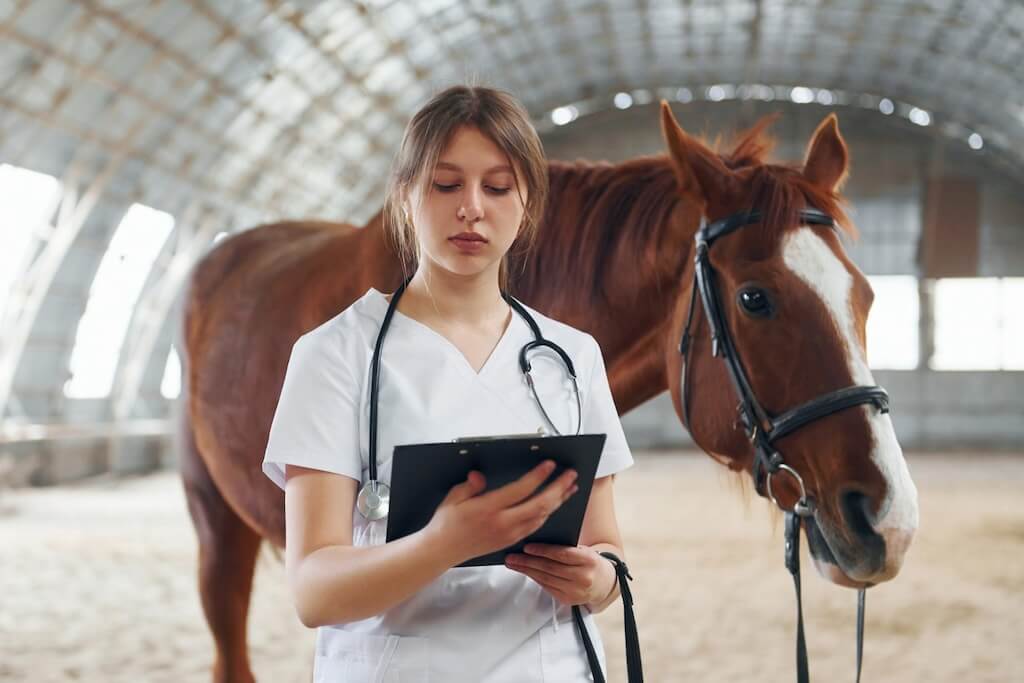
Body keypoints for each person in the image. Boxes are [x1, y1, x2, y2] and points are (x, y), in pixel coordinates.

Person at [261, 85, 634, 682]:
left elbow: (607, 546)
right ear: (405, 195)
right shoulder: (334, 355)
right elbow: (313, 592)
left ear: (527, 201)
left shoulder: (571, 356)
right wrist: (444, 543)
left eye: (497, 186)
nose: (472, 209)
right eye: (445, 185)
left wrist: (600, 578)